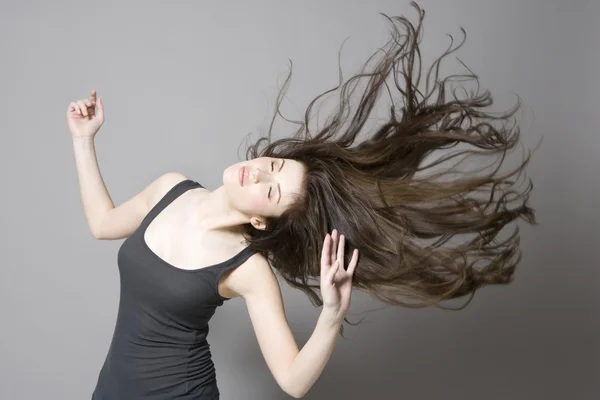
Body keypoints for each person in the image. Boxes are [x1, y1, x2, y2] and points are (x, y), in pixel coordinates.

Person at [67, 3, 537, 399]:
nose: (260, 172)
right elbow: (102, 223)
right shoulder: (169, 187)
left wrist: (332, 315)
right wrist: (83, 140)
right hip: (109, 388)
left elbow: (291, 381)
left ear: (260, 219)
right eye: (272, 166)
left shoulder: (246, 268)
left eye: (270, 191)